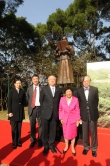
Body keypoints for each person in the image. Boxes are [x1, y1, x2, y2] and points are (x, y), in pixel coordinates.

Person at [77, 75, 99, 157]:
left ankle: (94, 148)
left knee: (93, 132)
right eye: (84, 81)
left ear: (89, 81)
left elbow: (96, 101)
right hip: (84, 114)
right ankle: (86, 147)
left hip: (93, 113)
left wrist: (91, 108)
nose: (86, 82)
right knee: (85, 132)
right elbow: (78, 103)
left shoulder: (95, 89)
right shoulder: (79, 91)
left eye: (87, 81)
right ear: (82, 82)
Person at [40, 75, 61, 156]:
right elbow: (41, 101)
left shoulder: (58, 90)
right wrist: (45, 110)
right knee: (45, 131)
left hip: (54, 114)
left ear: (55, 81)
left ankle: (51, 145)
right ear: (48, 81)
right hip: (45, 114)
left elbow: (59, 102)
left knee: (53, 131)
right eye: (51, 79)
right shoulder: (44, 90)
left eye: (54, 79)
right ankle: (45, 146)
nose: (52, 80)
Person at [59, 87, 80, 155]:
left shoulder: (75, 99)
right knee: (66, 133)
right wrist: (61, 118)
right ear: (65, 93)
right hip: (65, 119)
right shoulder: (62, 99)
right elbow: (60, 109)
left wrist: (78, 119)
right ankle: (66, 146)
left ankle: (72, 147)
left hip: (73, 119)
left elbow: (77, 110)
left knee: (73, 134)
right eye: (67, 92)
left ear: (72, 92)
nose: (69, 93)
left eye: (70, 91)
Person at [8, 77, 25, 149]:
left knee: (19, 128)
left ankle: (18, 141)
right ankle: (14, 142)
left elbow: (24, 101)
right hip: (13, 113)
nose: (18, 84)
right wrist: (9, 112)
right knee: (14, 129)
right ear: (14, 84)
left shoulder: (22, 91)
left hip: (20, 112)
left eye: (19, 83)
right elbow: (9, 102)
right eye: (17, 83)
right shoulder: (11, 91)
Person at [27, 74, 42, 148]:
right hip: (32, 109)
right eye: (34, 79)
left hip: (40, 109)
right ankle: (33, 140)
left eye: (37, 78)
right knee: (32, 125)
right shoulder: (29, 89)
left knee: (41, 126)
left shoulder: (42, 88)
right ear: (32, 80)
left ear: (38, 80)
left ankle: (40, 140)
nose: (35, 80)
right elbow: (28, 98)